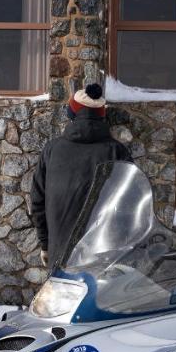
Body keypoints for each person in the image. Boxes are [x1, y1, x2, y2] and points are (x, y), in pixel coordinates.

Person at [31, 82, 133, 268]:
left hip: (60, 253)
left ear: (72, 114)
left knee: (61, 296)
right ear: (101, 115)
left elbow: (38, 201)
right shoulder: (117, 152)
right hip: (104, 256)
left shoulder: (52, 150)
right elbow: (130, 204)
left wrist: (45, 244)